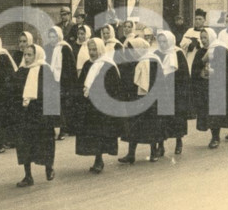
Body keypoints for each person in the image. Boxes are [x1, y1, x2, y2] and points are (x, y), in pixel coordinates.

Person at [11, 44, 57, 186]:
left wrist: (52, 117)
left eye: (29, 55)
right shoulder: (21, 71)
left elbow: (52, 94)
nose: (26, 58)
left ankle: (49, 168)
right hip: (25, 114)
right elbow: (14, 91)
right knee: (24, 143)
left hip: (41, 114)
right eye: (25, 55)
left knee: (44, 142)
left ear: (36, 55)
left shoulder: (45, 70)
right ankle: (28, 176)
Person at [75, 37, 122, 173]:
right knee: (92, 133)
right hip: (89, 106)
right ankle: (97, 158)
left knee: (101, 132)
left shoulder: (108, 65)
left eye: (94, 49)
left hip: (102, 106)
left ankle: (99, 159)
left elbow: (113, 87)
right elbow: (81, 83)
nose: (92, 52)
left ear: (100, 49)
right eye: (90, 50)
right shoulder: (87, 64)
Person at [118, 37, 163, 164]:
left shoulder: (152, 61)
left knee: (151, 125)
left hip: (150, 99)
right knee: (133, 126)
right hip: (134, 98)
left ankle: (153, 152)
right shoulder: (132, 62)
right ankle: (131, 154)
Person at [190, 28, 228, 149]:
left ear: (212, 37)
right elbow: (194, 69)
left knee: (215, 113)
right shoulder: (200, 52)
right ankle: (214, 135)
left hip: (217, 87)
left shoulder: (219, 49)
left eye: (205, 37)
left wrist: (215, 73)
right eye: (201, 38)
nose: (203, 40)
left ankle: (215, 137)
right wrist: (201, 70)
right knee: (207, 112)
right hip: (204, 87)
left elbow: (227, 68)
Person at [154, 30, 190, 156]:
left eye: (165, 41)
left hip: (175, 91)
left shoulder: (178, 53)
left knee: (177, 118)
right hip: (161, 91)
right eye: (160, 41)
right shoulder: (156, 53)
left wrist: (182, 92)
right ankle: (161, 145)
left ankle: (178, 142)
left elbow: (184, 74)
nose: (162, 44)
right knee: (161, 119)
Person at [45, 26, 77, 140]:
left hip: (63, 80)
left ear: (59, 37)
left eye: (54, 37)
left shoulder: (65, 48)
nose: (52, 39)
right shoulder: (47, 48)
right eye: (50, 37)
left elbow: (70, 66)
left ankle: (63, 130)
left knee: (62, 105)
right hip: (50, 80)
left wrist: (68, 82)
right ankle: (51, 129)